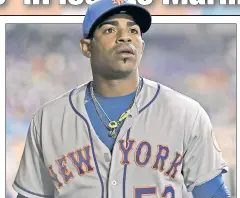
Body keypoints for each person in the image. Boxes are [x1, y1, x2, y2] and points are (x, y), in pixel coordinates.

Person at [13, 0, 231, 197]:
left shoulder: (186, 114)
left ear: (142, 47)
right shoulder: (48, 120)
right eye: (109, 29)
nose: (125, 37)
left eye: (133, 30)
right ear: (86, 47)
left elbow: (213, 194)